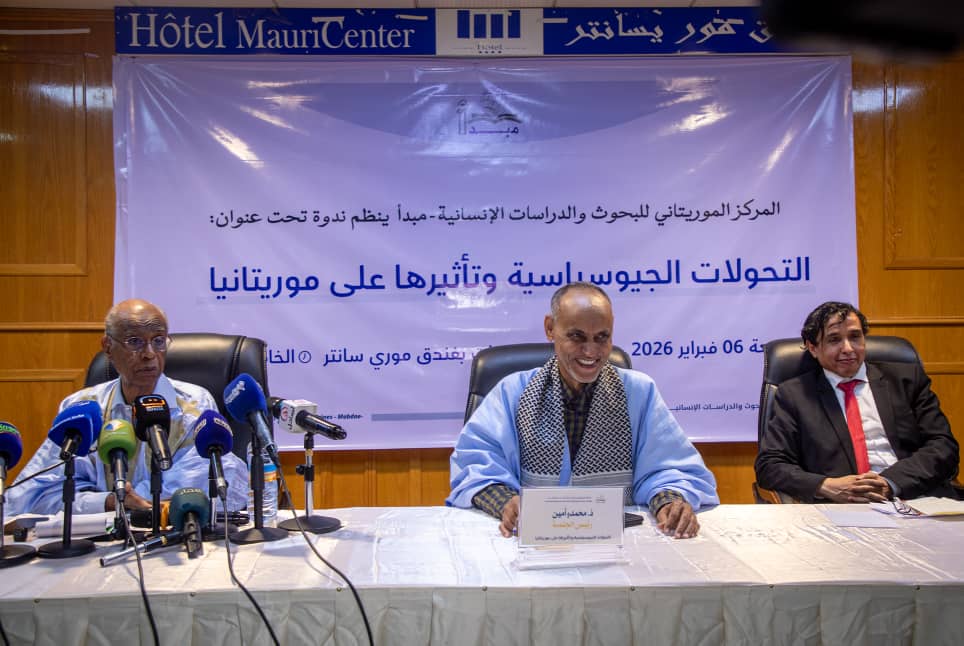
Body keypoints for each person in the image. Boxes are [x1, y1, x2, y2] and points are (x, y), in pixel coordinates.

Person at [447, 282, 719, 539]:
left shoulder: (639, 392)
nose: (590, 351)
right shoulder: (513, 392)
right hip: (530, 540)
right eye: (577, 337)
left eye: (602, 338)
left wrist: (669, 502)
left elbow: (669, 469)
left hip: (620, 542)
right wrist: (506, 502)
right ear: (550, 328)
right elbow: (475, 466)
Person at [7, 299, 249, 516]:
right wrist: (108, 502)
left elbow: (209, 478)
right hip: (98, 536)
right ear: (107, 346)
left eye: (159, 341)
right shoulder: (82, 408)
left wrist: (126, 499)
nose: (149, 354)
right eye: (135, 342)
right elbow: (34, 496)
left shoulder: (193, 403)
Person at [755, 301, 960, 503]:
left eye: (855, 337)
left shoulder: (905, 380)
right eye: (834, 340)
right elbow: (770, 465)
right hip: (841, 508)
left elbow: (943, 446)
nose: (848, 348)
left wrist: (890, 482)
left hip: (915, 497)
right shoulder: (795, 395)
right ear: (813, 348)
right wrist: (825, 486)